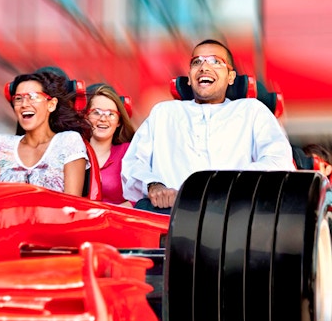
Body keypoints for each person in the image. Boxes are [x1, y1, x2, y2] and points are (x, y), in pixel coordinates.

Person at [121, 39, 296, 214]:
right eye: (197, 62)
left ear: (231, 77)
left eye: (215, 61)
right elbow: (134, 164)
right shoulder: (163, 112)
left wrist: (227, 184)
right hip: (170, 216)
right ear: (189, 77)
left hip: (234, 215)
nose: (204, 67)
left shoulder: (252, 110)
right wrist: (153, 185)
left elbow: (279, 161)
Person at [0, 70, 91, 196]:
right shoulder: (0, 144)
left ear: (51, 104)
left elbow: (72, 204)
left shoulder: (69, 141)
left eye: (33, 97)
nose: (24, 104)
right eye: (18, 98)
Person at [85, 84, 135, 205]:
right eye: (96, 112)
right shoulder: (73, 149)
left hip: (116, 221)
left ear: (119, 121)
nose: (103, 118)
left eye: (111, 114)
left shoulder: (128, 151)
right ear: (86, 117)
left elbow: (140, 195)